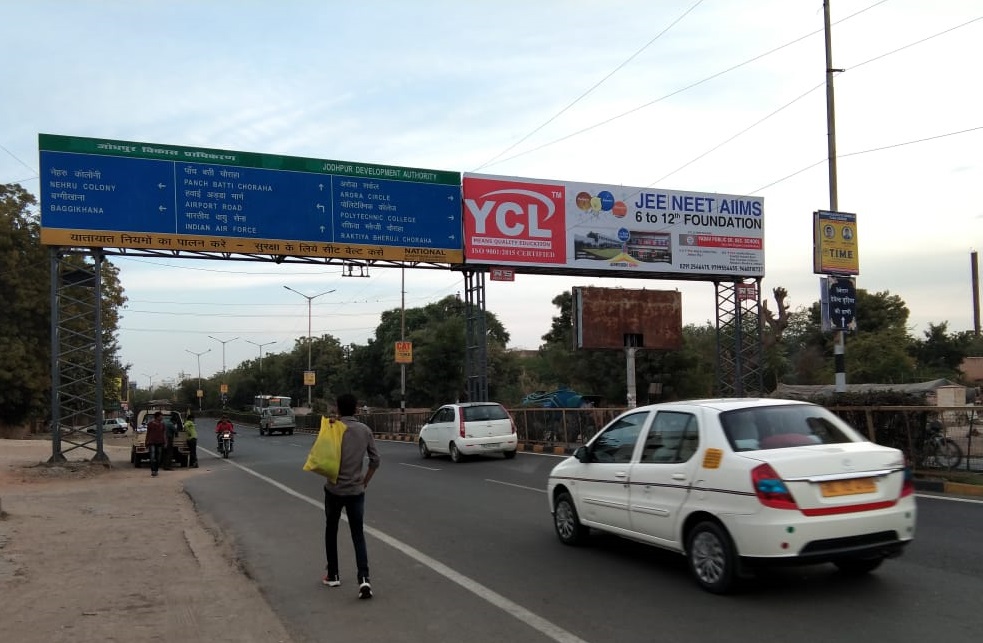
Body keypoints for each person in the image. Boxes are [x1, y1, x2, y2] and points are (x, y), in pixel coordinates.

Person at [321, 393, 380, 599]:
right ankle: (364, 579)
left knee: (331, 530)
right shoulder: (365, 430)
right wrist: (364, 481)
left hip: (334, 489)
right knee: (357, 534)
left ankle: (333, 574)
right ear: (356, 409)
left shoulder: (332, 428)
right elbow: (375, 460)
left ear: (337, 408)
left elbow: (320, 455)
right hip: (356, 491)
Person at [145, 411, 167, 477]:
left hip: (160, 442)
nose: (162, 417)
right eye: (161, 416)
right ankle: (153, 471)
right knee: (152, 457)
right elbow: (148, 433)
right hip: (152, 442)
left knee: (159, 458)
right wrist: (146, 442)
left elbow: (164, 434)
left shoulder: (162, 424)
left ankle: (156, 470)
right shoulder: (150, 424)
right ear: (157, 417)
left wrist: (165, 442)